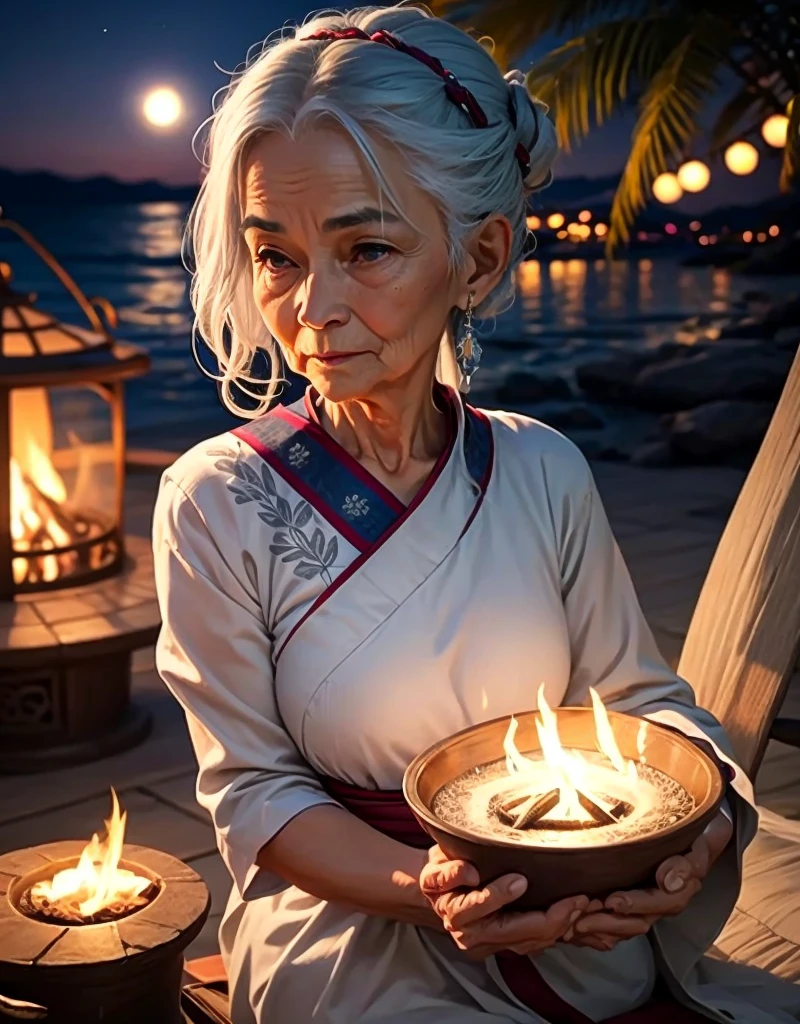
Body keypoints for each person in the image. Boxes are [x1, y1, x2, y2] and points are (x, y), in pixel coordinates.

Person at [152, 6, 800, 1022]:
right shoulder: (215, 500)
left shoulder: (540, 468)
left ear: (482, 257)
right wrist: (434, 890)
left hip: (581, 910)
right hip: (348, 928)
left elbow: (643, 704)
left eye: (365, 249)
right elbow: (252, 791)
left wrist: (696, 836)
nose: (310, 308)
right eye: (273, 255)